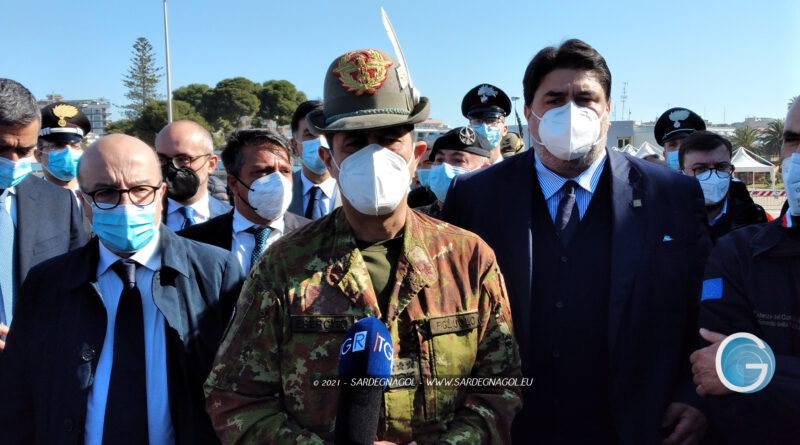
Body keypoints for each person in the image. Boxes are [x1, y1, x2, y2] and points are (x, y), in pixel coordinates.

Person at [204, 48, 522, 444]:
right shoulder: (283, 266)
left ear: (416, 156)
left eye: (389, 141)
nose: (374, 156)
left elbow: (502, 387)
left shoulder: (469, 259)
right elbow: (234, 398)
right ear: (328, 159)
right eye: (354, 144)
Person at [443, 39, 712, 444]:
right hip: (511, 423)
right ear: (530, 114)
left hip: (634, 420)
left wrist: (694, 394)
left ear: (607, 112)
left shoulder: (670, 194)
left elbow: (701, 302)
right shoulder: (476, 196)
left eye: (586, 99)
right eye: (554, 99)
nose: (572, 111)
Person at [0, 133, 244, 444]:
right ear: (85, 202)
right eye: (106, 192)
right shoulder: (47, 283)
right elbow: (16, 399)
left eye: (141, 190)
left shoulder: (215, 272)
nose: (126, 204)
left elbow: (242, 388)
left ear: (162, 193)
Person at [689, 98, 800, 443]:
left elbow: (730, 371)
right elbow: (720, 383)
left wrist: (757, 371)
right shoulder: (739, 253)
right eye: (794, 139)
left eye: (721, 168)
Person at [0, 79, 86, 348]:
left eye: (24, 150)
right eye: (2, 149)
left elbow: (80, 289)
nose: (13, 161)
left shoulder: (60, 204)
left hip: (38, 366)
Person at [179, 128, 310, 274]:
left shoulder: (316, 237)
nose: (278, 181)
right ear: (233, 183)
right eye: (263, 171)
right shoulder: (193, 242)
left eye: (285, 171)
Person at [656, 107, 754, 205]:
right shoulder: (655, 190)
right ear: (665, 155)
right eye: (673, 145)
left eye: (686, 142)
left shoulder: (733, 188)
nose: (680, 149)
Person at [679, 130, 767, 239]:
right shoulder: (666, 218)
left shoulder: (753, 216)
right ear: (682, 174)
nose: (713, 177)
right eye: (701, 168)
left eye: (721, 167)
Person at [155, 120, 231, 231]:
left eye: (183, 159)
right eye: (162, 159)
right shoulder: (142, 220)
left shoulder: (232, 219)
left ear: (211, 164)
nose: (171, 168)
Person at [415, 126, 491, 219]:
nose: (444, 167)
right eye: (439, 159)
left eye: (458, 160)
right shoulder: (417, 219)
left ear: (484, 170)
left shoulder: (494, 220)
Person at [287, 100, 341, 219]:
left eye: (327, 133)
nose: (321, 141)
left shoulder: (354, 189)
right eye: (310, 134)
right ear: (294, 145)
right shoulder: (282, 191)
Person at [34, 102, 91, 198]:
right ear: (38, 155)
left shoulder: (99, 198)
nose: (68, 151)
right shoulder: (24, 200)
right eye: (58, 145)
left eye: (74, 145)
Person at [462, 83, 511, 163]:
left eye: (491, 120)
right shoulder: (463, 173)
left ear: (505, 129)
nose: (484, 127)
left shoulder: (516, 173)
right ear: (469, 128)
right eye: (478, 121)